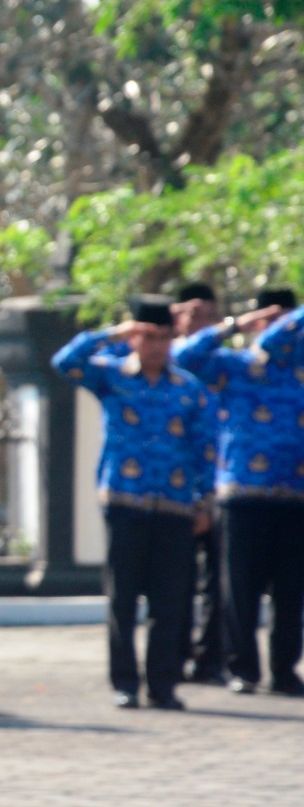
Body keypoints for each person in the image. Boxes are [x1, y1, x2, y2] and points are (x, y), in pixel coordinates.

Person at [52, 296, 214, 710]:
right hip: (126, 503)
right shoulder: (112, 377)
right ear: (135, 338)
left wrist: (205, 502)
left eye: (163, 337)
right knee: (123, 600)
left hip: (175, 509)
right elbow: (64, 362)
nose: (156, 345)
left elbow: (205, 450)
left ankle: (163, 685)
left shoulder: (188, 389)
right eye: (148, 337)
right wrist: (114, 334)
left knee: (170, 602)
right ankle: (125, 682)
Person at [174, 290, 304, 696]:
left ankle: (285, 670)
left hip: (295, 494)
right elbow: (184, 360)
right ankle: (242, 668)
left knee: (290, 592)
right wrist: (233, 327)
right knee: (241, 588)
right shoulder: (236, 365)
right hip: (243, 493)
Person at [170, 281, 226, 684]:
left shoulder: (227, 364)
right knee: (176, 582)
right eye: (192, 314)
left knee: (217, 583)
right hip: (174, 489)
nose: (200, 323)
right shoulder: (164, 364)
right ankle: (174, 655)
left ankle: (210, 658)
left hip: (219, 485)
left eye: (208, 315)